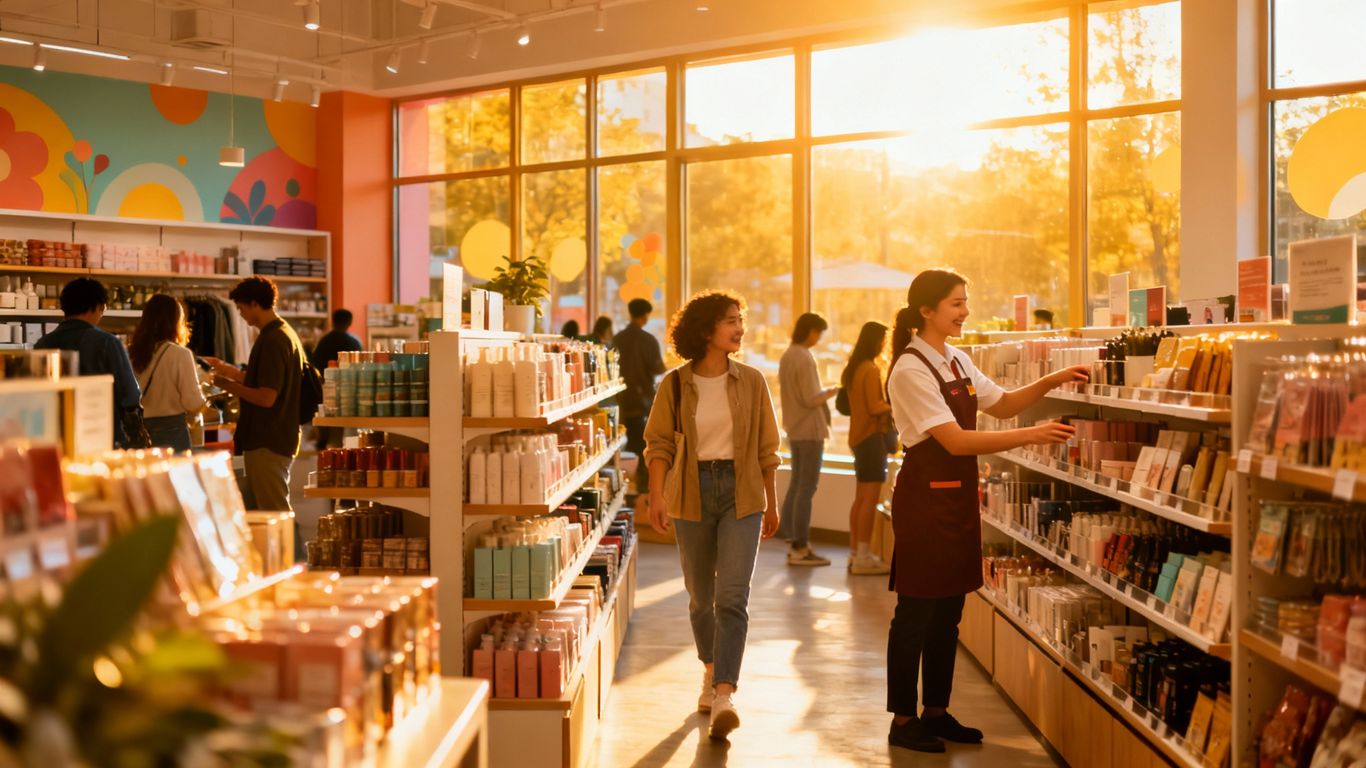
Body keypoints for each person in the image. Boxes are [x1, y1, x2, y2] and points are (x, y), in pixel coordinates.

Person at [884, 269, 1087, 753]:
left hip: (955, 498)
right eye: (956, 304)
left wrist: (1053, 378)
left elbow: (1003, 404)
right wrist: (1032, 436)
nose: (965, 311)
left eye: (965, 301)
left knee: (949, 612)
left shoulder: (957, 360)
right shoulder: (911, 369)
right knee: (915, 612)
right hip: (925, 501)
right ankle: (903, 718)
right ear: (926, 311)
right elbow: (954, 441)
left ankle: (936, 710)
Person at [643, 290, 780, 742]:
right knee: (701, 597)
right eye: (729, 321)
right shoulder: (675, 384)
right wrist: (657, 495)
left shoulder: (753, 381)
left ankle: (725, 693)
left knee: (732, 597)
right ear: (705, 330)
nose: (739, 328)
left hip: (742, 494)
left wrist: (772, 502)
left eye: (740, 319)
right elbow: (659, 444)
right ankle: (709, 668)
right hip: (691, 492)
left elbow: (767, 449)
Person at [206, 277, 306, 513]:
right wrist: (225, 369)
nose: (240, 315)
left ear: (253, 304)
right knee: (262, 510)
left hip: (268, 439)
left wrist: (225, 384)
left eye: (241, 308)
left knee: (274, 512)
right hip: (274, 436)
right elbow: (264, 380)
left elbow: (266, 397)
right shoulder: (283, 333)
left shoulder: (273, 340)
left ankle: (284, 551)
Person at [34, 278, 141, 447]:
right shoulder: (107, 342)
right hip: (99, 435)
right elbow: (130, 395)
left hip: (53, 438)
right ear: (98, 306)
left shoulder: (42, 344)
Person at [776, 312, 837, 567]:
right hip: (810, 430)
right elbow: (811, 398)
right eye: (818, 332)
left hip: (794, 428)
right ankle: (801, 545)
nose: (819, 338)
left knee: (797, 484)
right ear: (810, 331)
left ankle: (792, 540)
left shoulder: (787, 355)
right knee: (806, 487)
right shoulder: (803, 356)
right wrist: (831, 392)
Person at [841, 321, 892, 576]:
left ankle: (855, 552)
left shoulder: (854, 368)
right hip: (872, 439)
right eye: (883, 340)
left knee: (860, 498)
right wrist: (896, 405)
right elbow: (875, 407)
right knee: (869, 500)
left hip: (858, 439)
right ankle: (863, 554)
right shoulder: (871, 369)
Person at [127, 294, 208, 451]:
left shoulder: (129, 353)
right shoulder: (180, 354)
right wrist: (204, 390)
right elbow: (192, 403)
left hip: (139, 431)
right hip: (172, 432)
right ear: (176, 321)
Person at [614, 298, 665, 498]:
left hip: (623, 403)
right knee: (646, 449)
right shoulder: (648, 340)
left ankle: (624, 491)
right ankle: (645, 493)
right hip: (643, 404)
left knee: (626, 449)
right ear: (645, 316)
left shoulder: (618, 339)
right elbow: (658, 367)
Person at [310, 308, 363, 449]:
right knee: (343, 424)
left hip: (325, 387)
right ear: (350, 322)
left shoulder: (324, 342)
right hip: (348, 389)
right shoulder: (353, 343)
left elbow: (314, 364)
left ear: (332, 322)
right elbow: (360, 367)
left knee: (326, 419)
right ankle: (339, 449)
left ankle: (323, 445)